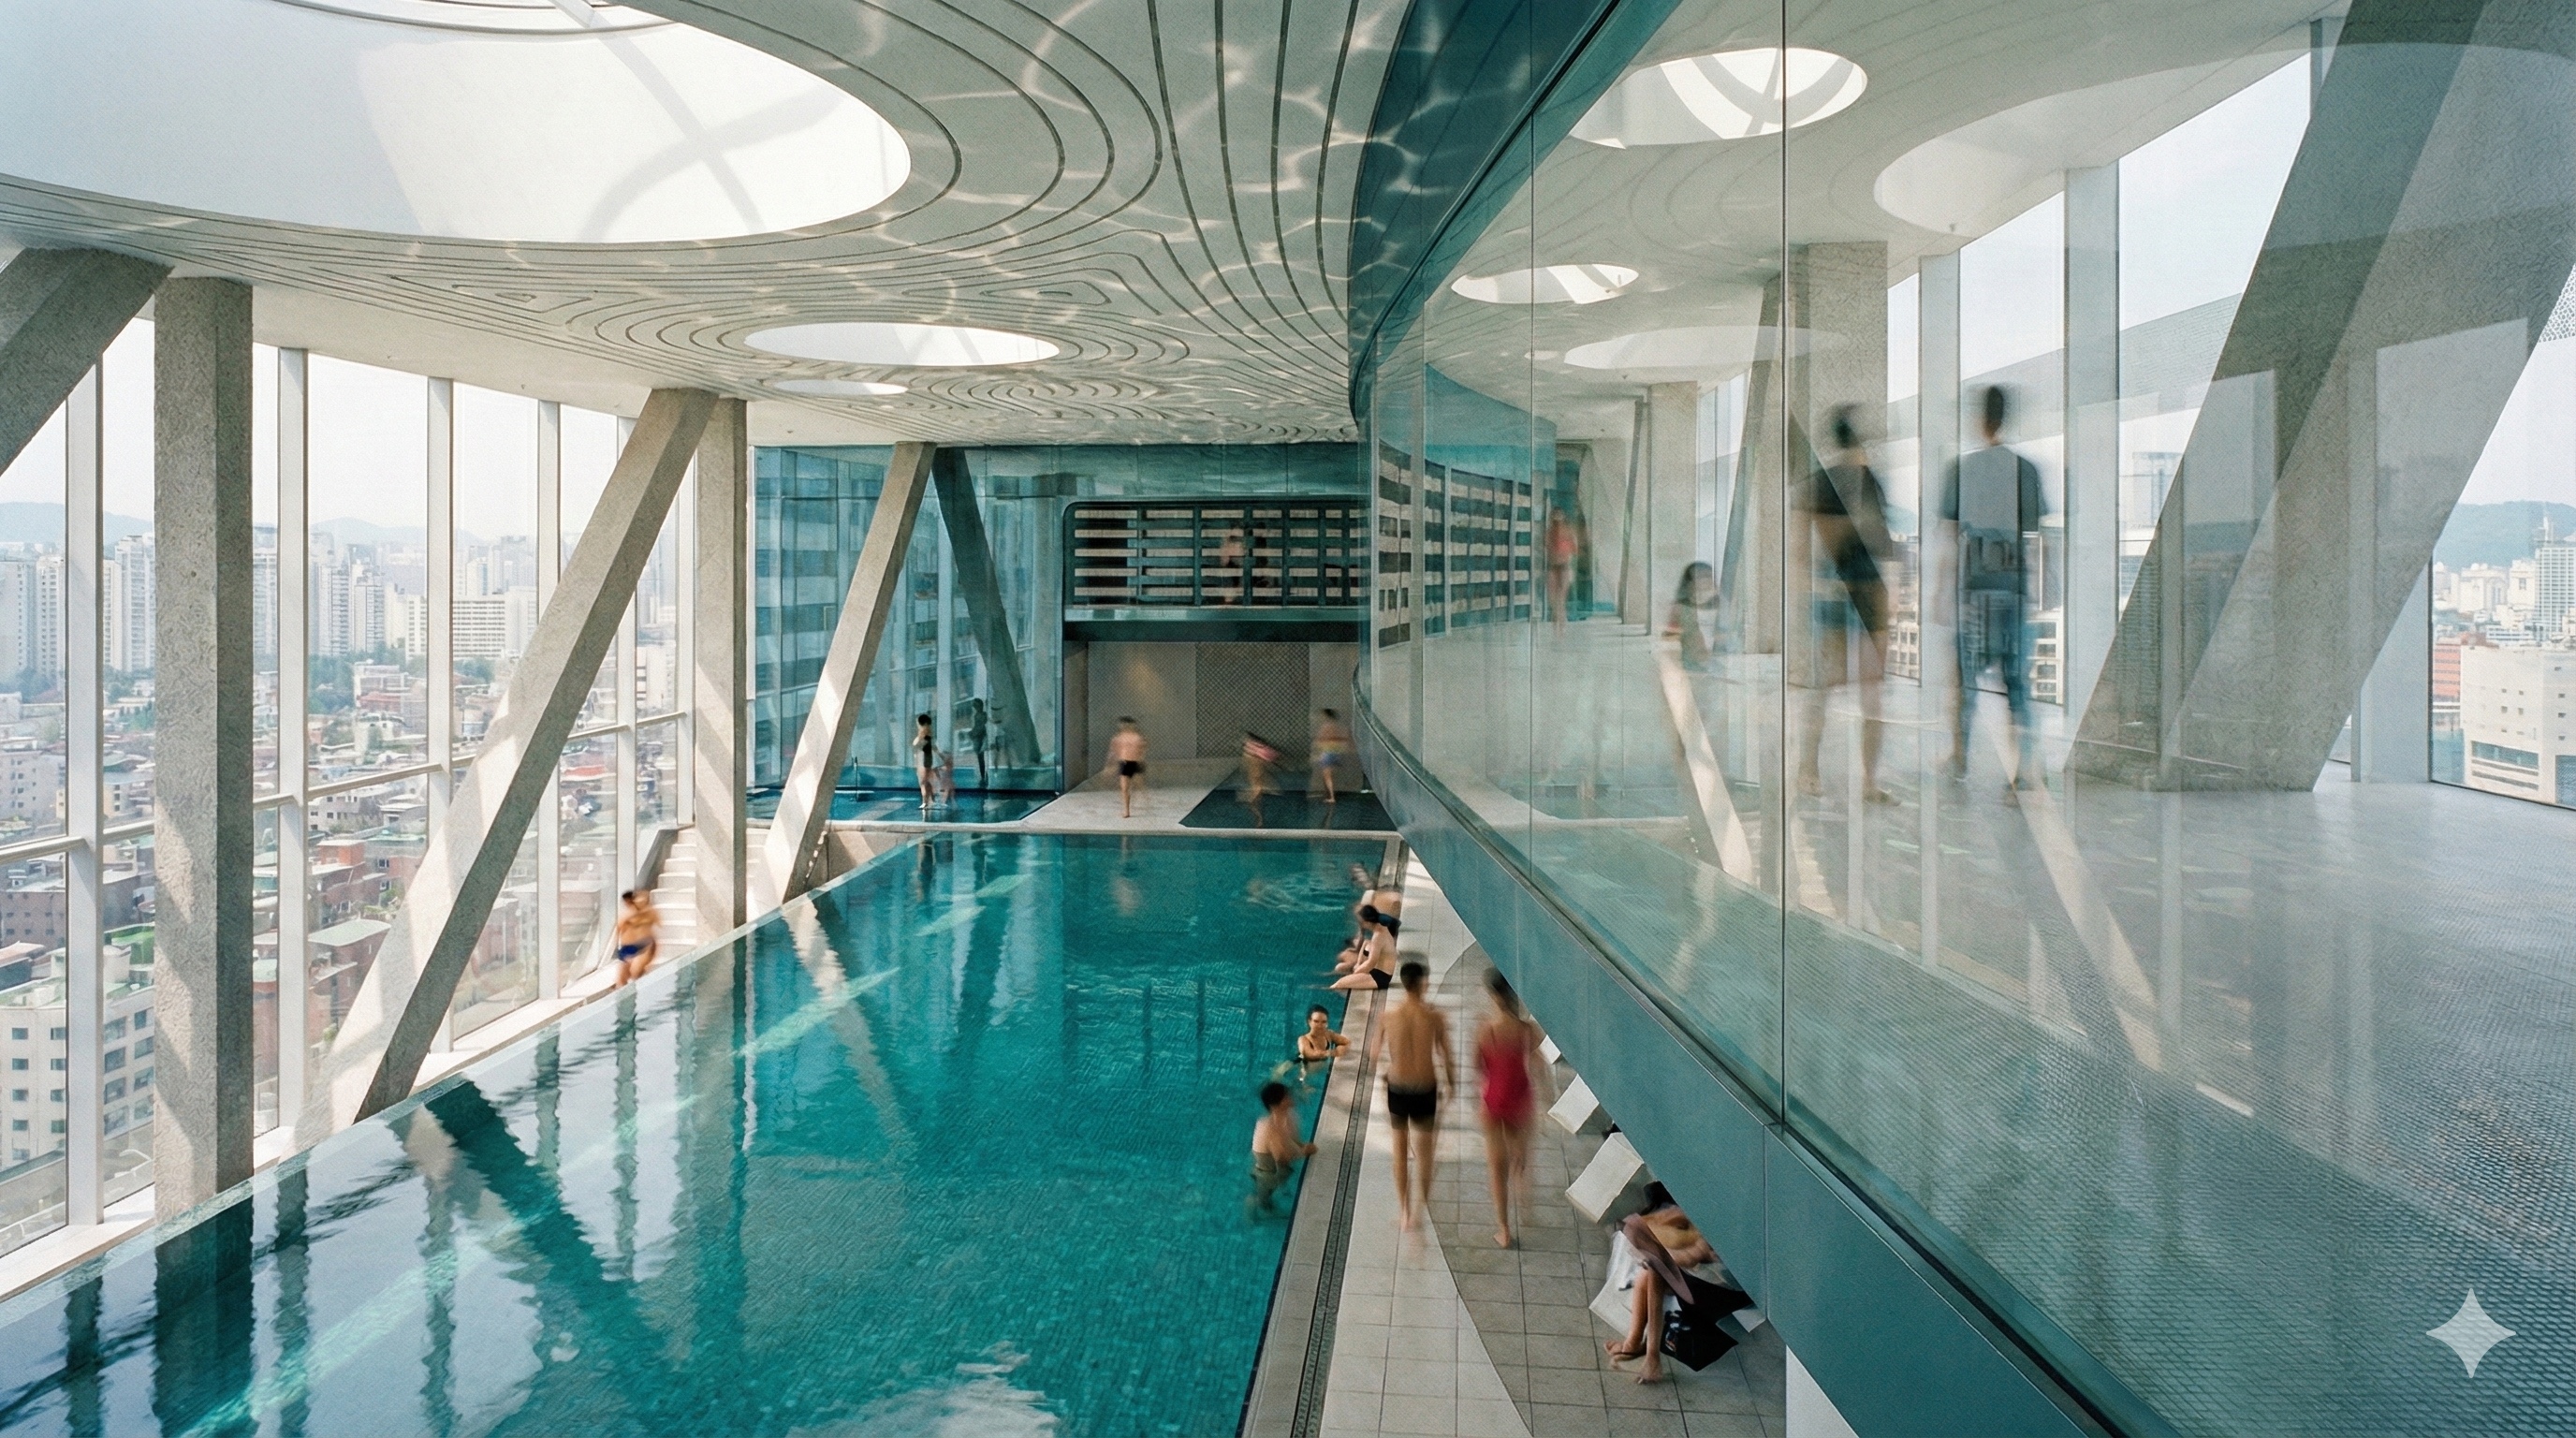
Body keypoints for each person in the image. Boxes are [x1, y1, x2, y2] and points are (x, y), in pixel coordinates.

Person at [1942, 384, 2049, 798]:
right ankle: (2022, 771)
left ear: (1979, 419)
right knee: (2017, 685)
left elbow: (1950, 535)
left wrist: (1938, 593)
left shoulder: (1962, 470)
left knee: (1965, 681)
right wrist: (2040, 590)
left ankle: (1959, 759)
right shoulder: (2027, 470)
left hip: (1974, 590)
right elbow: (2037, 537)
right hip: (2016, 589)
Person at [1794, 404, 1897, 803]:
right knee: (1870, 692)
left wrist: (1809, 586)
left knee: (1826, 686)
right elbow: (1882, 550)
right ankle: (1867, 781)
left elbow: (1803, 549)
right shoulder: (1869, 483)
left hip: (1837, 591)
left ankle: (1810, 769)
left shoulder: (1820, 481)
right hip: (1863, 592)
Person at [1604, 1185, 1749, 1385]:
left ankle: (1644, 1350)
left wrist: (1653, 1356)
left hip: (1725, 1292)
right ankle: (1635, 1343)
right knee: (1647, 1274)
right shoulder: (1680, 1218)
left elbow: (1689, 1257)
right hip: (1706, 1276)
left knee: (1651, 1271)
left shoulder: (1705, 1233)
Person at [1376, 961, 1456, 1233]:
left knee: (1399, 1151)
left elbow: (1375, 1054)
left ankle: (1404, 1213)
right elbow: (1446, 1056)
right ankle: (1420, 1211)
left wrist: (1391, 1069)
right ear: (1423, 984)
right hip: (1425, 1088)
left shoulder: (1388, 1016)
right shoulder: (1435, 1017)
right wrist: (1452, 1085)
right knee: (1424, 1153)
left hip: (1397, 1087)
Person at [1475, 971, 1543, 1248]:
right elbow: (1538, 1065)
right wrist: (1546, 1098)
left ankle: (1503, 1230)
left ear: (1494, 997)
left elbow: (1479, 1067)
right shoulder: (1527, 1030)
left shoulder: (1486, 1030)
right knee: (1520, 1160)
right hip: (1520, 1099)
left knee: (1496, 1168)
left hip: (1493, 1100)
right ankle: (1523, 1200)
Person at [1248, 1079, 1317, 1219]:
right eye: (1287, 1096)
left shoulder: (1286, 1116)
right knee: (1265, 1197)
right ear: (1276, 1104)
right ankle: (1252, 1204)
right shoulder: (1270, 1128)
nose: (1291, 1097)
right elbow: (1282, 1157)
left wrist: (1301, 1146)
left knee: (1280, 1179)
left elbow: (1290, 1137)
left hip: (1274, 1158)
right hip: (1266, 1166)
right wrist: (1304, 1152)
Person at [1330, 905, 1399, 990]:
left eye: (1361, 922)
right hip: (1379, 972)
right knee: (1343, 974)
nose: (1361, 925)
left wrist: (1355, 973)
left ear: (1368, 922)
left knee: (1338, 984)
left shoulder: (1378, 937)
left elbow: (1371, 963)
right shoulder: (1383, 929)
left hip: (1380, 977)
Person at [1663, 562, 1716, 671]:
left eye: (1709, 576)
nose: (1708, 581)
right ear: (1690, 582)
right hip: (1691, 665)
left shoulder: (1716, 604)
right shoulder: (1680, 608)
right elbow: (1670, 638)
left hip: (1710, 662)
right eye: (1702, 577)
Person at [610, 888, 660, 988]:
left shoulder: (645, 913)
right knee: (622, 979)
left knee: (635, 973)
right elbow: (619, 929)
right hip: (628, 946)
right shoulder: (628, 914)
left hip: (641, 945)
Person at [1544, 508, 1579, 629]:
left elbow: (1574, 550)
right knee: (1553, 597)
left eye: (1560, 516)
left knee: (1561, 596)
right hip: (1553, 567)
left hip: (1564, 566)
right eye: (1555, 517)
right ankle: (1557, 616)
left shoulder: (1569, 532)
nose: (1557, 520)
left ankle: (1561, 620)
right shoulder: (1549, 532)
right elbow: (1546, 547)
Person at [1107, 716, 1148, 818]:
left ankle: (1144, 800)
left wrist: (1141, 759)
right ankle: (1126, 810)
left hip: (1135, 763)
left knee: (1139, 786)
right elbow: (1113, 752)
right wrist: (1110, 764)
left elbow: (1142, 749)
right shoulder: (1118, 738)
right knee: (1125, 788)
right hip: (1124, 763)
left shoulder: (1137, 737)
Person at [1310, 709, 1354, 802]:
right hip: (1336, 752)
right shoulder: (1338, 727)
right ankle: (1329, 795)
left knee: (1327, 776)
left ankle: (1331, 797)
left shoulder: (1326, 726)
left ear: (1326, 716)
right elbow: (1344, 739)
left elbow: (1320, 739)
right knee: (1328, 775)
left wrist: (1317, 748)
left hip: (1328, 752)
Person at [912, 712, 939, 811]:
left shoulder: (925, 732)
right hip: (924, 757)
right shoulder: (926, 733)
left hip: (924, 757)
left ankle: (925, 801)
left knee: (923, 781)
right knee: (925, 780)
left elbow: (918, 744)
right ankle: (931, 800)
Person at [965, 697, 992, 788]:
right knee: (980, 758)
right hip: (978, 736)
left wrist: (974, 732)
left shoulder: (983, 715)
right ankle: (983, 776)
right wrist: (972, 732)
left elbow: (981, 726)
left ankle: (984, 776)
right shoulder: (977, 715)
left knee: (981, 757)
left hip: (980, 736)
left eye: (976, 706)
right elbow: (978, 726)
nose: (975, 708)